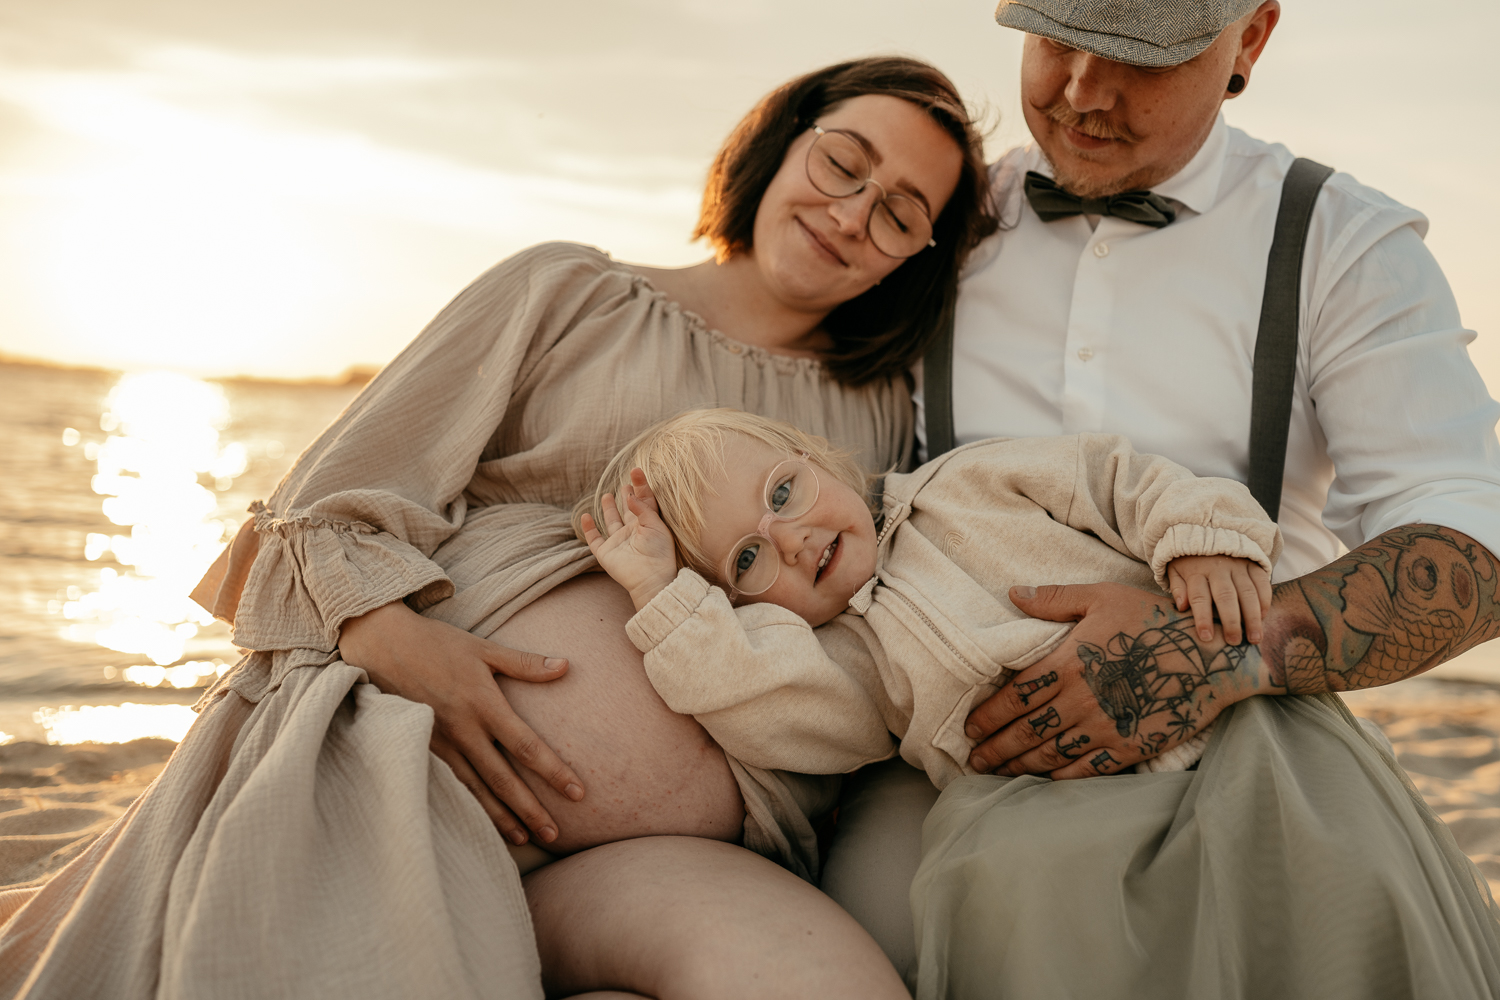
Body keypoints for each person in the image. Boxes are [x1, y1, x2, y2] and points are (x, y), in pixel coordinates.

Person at [0, 58, 997, 999]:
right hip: (417, 752)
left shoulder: (879, 413)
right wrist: (398, 644)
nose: (853, 212)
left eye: (901, 211)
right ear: (783, 141)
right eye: (842, 162)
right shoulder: (567, 292)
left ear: (918, 255)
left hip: (674, 843)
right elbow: (324, 502)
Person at [819, 2, 1500, 996]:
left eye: (1144, 54)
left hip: (1245, 751)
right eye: (1056, 40)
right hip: (941, 740)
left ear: (1251, 39)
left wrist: (1206, 653)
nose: (1086, 91)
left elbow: (1473, 548)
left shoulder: (1341, 242)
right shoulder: (932, 224)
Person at [579, 407, 1280, 790]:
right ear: (739, 603)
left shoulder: (966, 481)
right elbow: (757, 699)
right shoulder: (848, 661)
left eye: (783, 491)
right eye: (749, 558)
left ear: (818, 457)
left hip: (1225, 719)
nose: (790, 540)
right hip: (1058, 804)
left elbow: (1116, 479)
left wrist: (1202, 537)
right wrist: (656, 589)